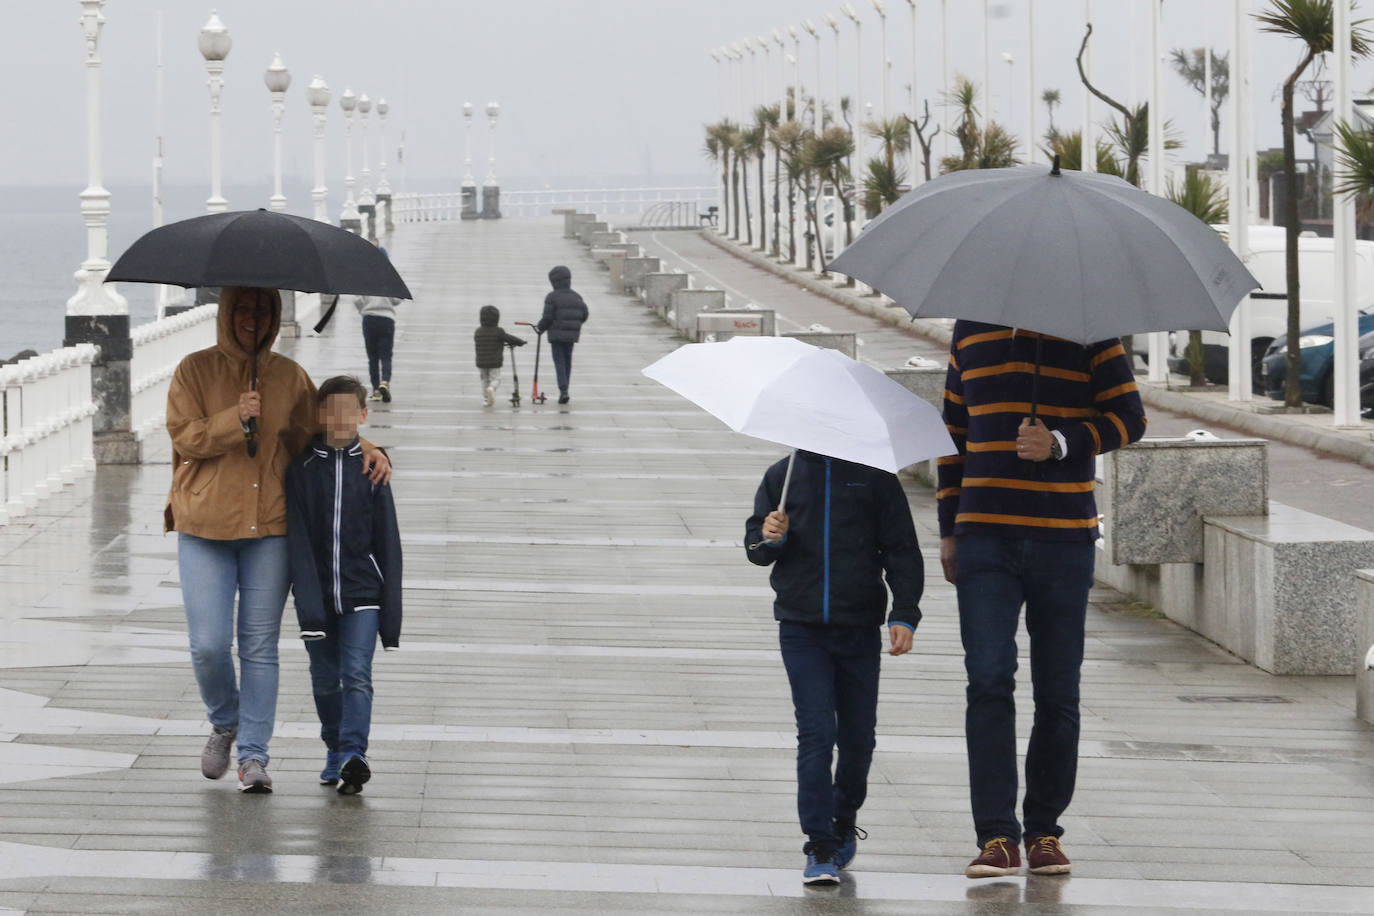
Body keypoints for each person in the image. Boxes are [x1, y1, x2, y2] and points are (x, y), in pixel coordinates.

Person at [937, 321, 1146, 878]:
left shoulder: (1092, 334)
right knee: (987, 680)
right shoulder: (970, 331)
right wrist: (948, 529)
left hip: (1063, 540)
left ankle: (1044, 830)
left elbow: (1130, 418)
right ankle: (997, 836)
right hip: (983, 536)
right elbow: (953, 434)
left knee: (1058, 691)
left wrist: (1060, 442)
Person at [166, 286, 391, 794]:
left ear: (274, 316)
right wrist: (235, 417)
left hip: (269, 527)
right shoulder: (193, 370)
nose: (252, 318)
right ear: (227, 314)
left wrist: (372, 448)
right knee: (207, 646)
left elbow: (328, 427)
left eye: (262, 310)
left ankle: (253, 758)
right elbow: (184, 436)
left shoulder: (289, 377)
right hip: (203, 525)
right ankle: (226, 721)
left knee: (259, 647)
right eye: (242, 309)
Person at [744, 450, 923, 886]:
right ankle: (819, 843)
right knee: (817, 732)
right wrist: (770, 537)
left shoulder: (875, 478)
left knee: (859, 739)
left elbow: (902, 549)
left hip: (860, 627)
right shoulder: (782, 475)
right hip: (801, 627)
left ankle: (844, 817)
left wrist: (904, 613)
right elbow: (756, 547)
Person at [286, 375, 402, 796]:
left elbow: (389, 543)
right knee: (323, 678)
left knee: (356, 673)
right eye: (330, 410)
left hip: (362, 594)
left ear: (363, 415)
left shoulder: (372, 470)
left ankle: (355, 753)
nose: (338, 419)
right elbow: (296, 539)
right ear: (319, 414)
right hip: (316, 596)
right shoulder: (301, 469)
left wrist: (391, 610)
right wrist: (305, 595)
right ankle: (334, 747)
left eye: (348, 411)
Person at [354, 247, 402, 403]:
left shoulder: (365, 277)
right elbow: (397, 300)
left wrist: (364, 309)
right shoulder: (390, 277)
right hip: (387, 320)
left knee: (372, 357)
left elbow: (357, 300)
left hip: (369, 320)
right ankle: (385, 382)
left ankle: (375, 390)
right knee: (386, 355)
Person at [536, 265, 588, 405]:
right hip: (571, 336)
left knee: (559, 363)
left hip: (556, 337)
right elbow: (584, 314)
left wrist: (540, 328)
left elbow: (547, 317)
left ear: (554, 281)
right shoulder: (577, 296)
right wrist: (575, 325)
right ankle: (565, 389)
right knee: (567, 362)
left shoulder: (552, 297)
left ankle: (563, 390)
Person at [472, 305, 526, 406]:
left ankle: (485, 399)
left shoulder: (478, 331)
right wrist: (521, 342)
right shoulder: (498, 331)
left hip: (481, 361)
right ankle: (492, 388)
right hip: (494, 361)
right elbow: (509, 338)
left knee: (484, 379)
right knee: (496, 379)